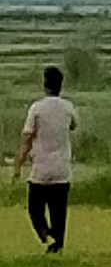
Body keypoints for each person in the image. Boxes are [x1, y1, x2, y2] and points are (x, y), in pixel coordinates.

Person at [13, 67, 78, 254]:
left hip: (40, 169)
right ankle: (57, 246)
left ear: (45, 85)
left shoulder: (37, 108)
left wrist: (18, 164)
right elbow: (74, 125)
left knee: (35, 210)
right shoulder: (68, 107)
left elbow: (27, 139)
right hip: (62, 169)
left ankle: (46, 235)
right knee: (59, 213)